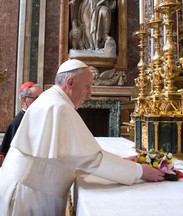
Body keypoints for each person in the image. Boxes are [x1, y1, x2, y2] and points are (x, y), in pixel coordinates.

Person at [0, 59, 164, 215]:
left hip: (29, 190)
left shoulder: (51, 99)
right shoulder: (59, 107)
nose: (90, 93)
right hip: (29, 198)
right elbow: (90, 160)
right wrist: (140, 171)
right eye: (87, 86)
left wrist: (122, 162)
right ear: (70, 82)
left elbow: (72, 156)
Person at [0, 82, 42, 162]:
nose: (41, 101)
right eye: (37, 98)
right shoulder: (17, 124)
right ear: (24, 99)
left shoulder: (39, 118)